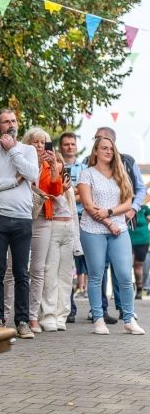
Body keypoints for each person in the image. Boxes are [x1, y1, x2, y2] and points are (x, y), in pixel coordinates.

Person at [0, 109, 39, 339]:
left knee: (22, 272)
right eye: (6, 121)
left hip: (23, 218)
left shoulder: (27, 150)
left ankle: (22, 321)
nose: (11, 124)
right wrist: (13, 181)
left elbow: (33, 174)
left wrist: (13, 150)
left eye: (14, 120)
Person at [78, 136, 144, 335]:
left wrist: (109, 214)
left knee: (124, 275)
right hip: (93, 230)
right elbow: (89, 206)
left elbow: (128, 202)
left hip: (119, 230)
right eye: (104, 148)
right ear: (95, 151)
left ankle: (129, 318)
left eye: (111, 148)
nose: (108, 151)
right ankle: (98, 319)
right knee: (96, 275)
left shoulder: (120, 173)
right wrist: (108, 222)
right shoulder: (86, 174)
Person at [20, 127, 63, 333]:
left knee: (37, 269)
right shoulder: (21, 162)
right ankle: (8, 314)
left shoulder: (49, 165)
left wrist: (54, 166)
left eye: (43, 142)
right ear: (27, 143)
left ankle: (33, 316)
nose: (39, 146)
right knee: (15, 268)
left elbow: (56, 191)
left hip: (43, 216)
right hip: (20, 215)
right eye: (35, 141)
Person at [39, 153, 82, 331]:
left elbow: (74, 215)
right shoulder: (47, 183)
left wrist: (77, 242)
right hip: (53, 228)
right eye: (53, 161)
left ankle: (61, 315)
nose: (56, 164)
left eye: (59, 161)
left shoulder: (69, 188)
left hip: (68, 230)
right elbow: (46, 200)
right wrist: (60, 189)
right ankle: (48, 315)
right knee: (50, 272)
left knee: (65, 276)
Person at [59, 132, 87, 323]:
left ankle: (97, 310)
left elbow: (86, 193)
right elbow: (58, 192)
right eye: (66, 144)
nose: (70, 147)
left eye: (72, 144)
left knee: (89, 267)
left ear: (76, 147)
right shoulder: (57, 167)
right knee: (66, 266)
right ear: (61, 147)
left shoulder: (85, 168)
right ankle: (69, 308)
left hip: (84, 219)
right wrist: (74, 191)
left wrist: (69, 192)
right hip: (64, 218)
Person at [129, 203, 150, 299]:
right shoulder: (125, 207)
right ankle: (127, 289)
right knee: (128, 264)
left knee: (138, 266)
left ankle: (139, 289)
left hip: (142, 240)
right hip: (128, 240)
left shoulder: (145, 209)